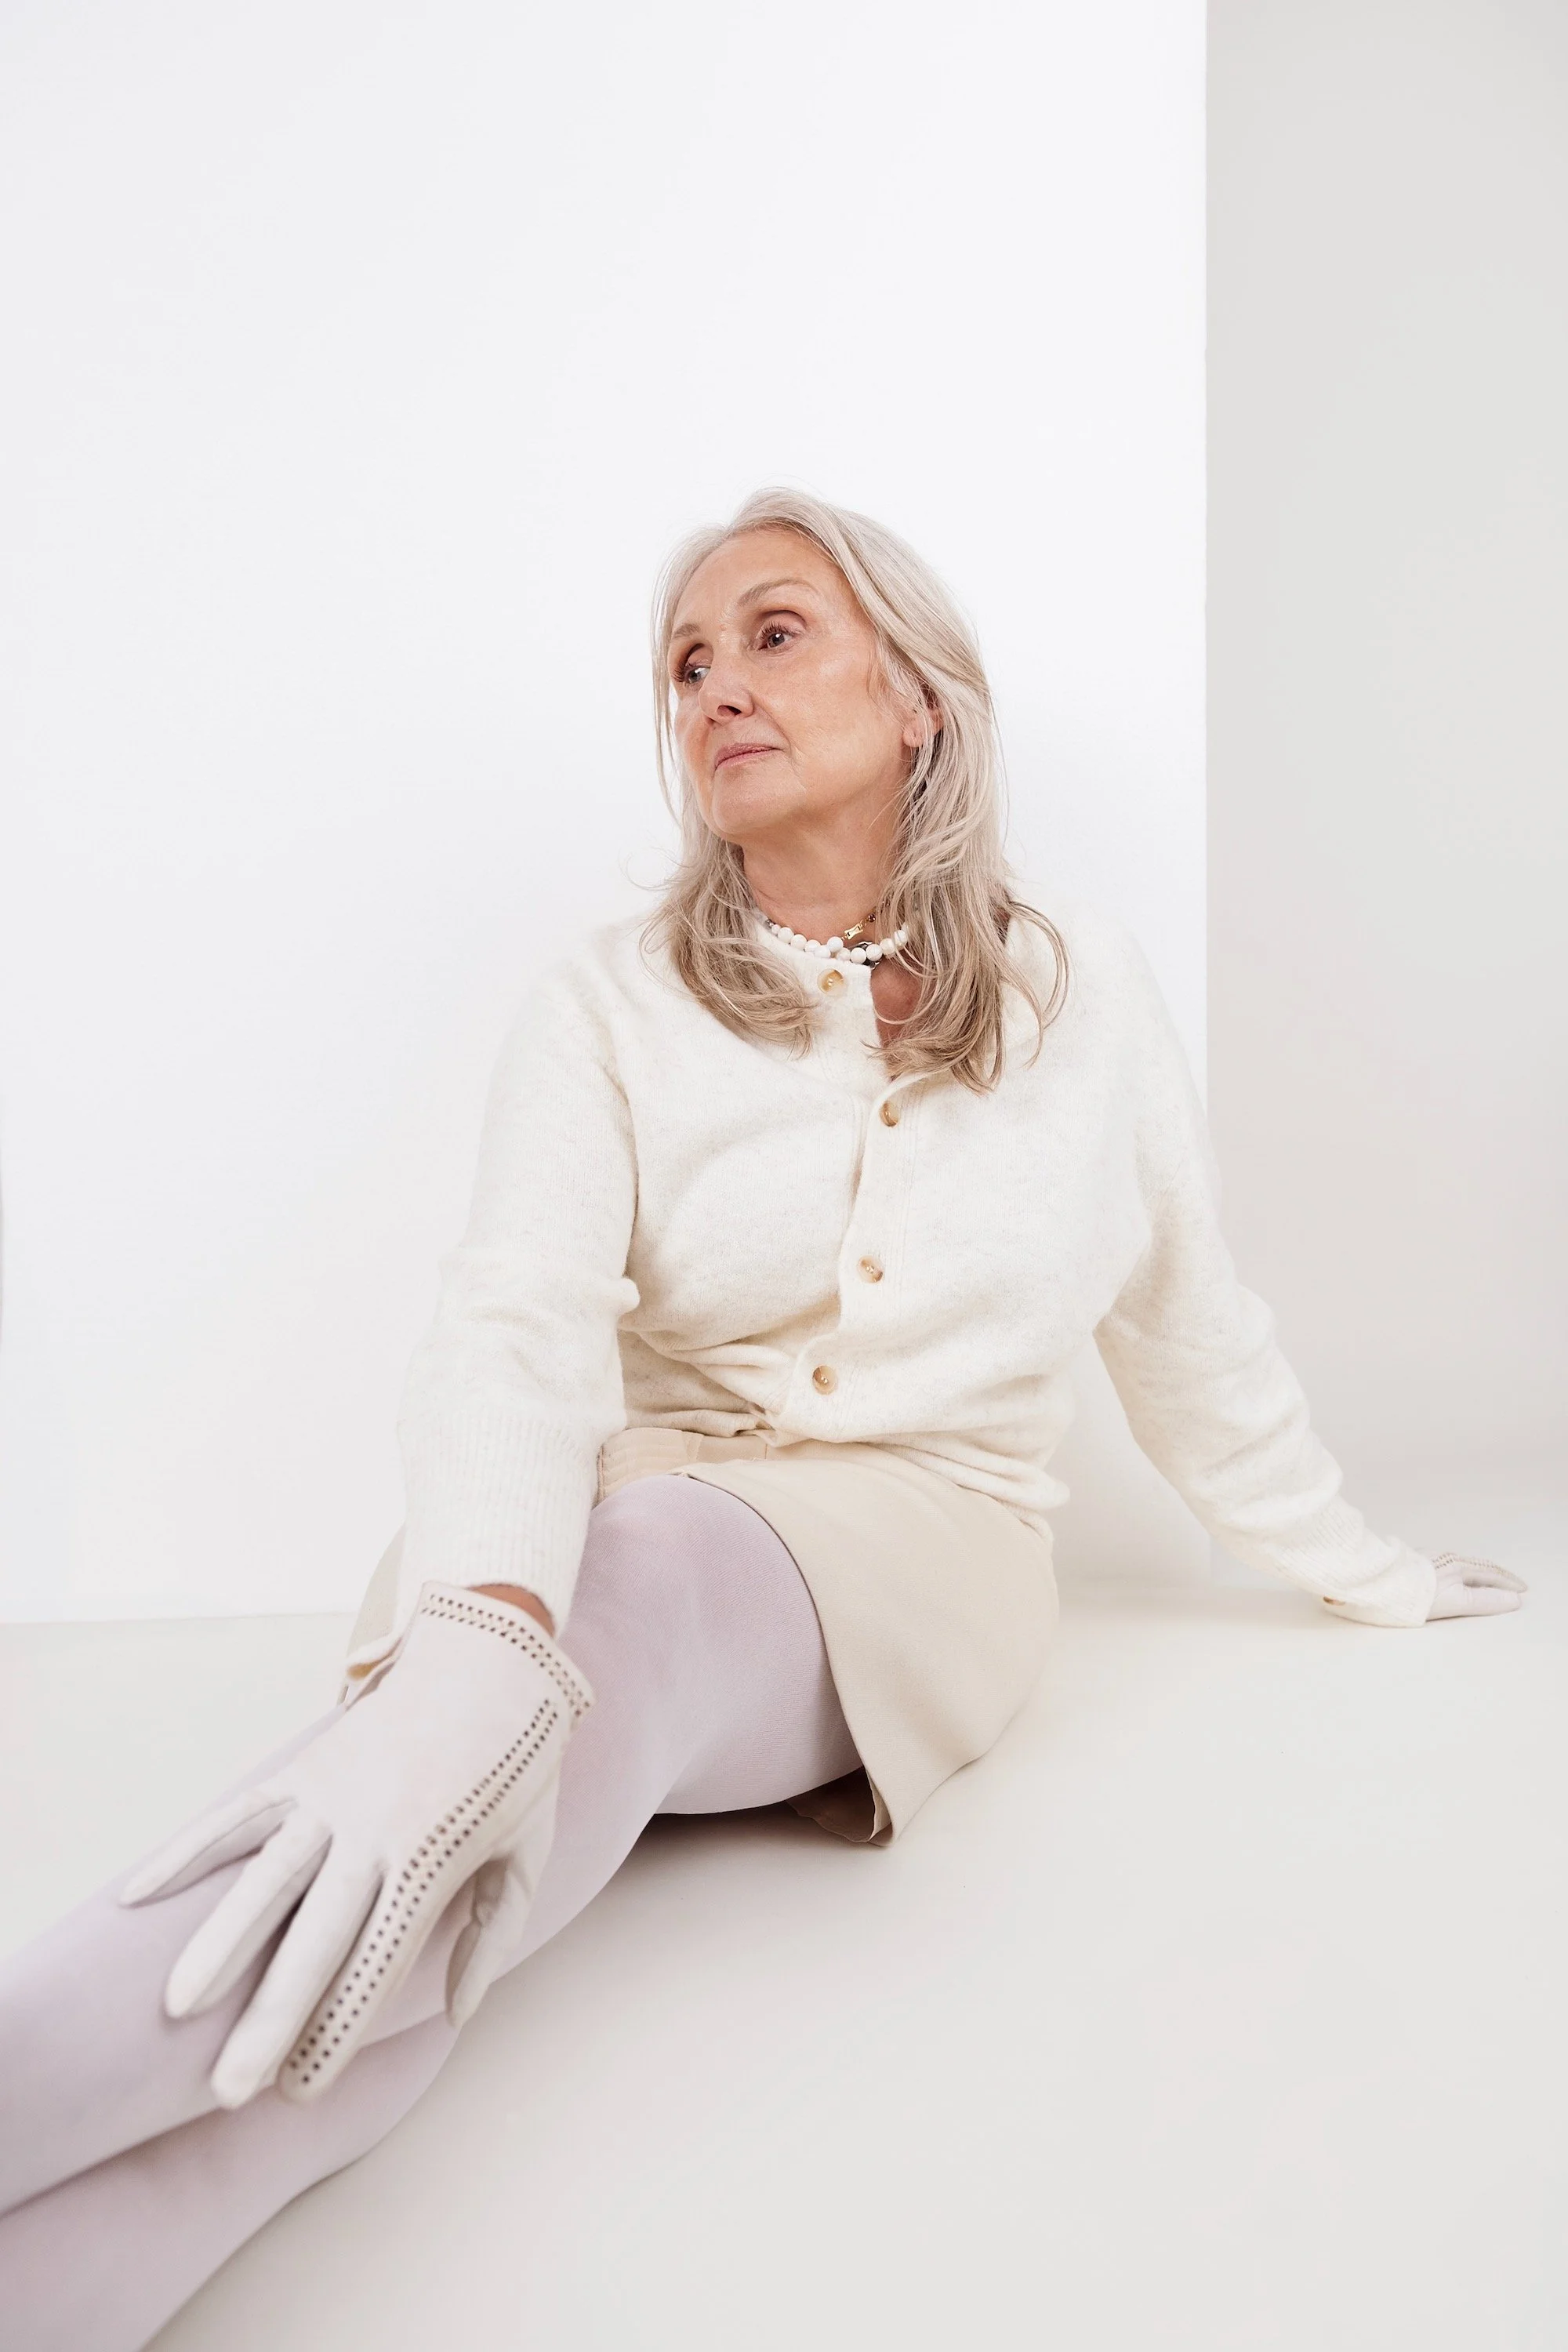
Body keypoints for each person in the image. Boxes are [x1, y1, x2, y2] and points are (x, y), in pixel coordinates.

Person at [0, 488, 1525, 2350]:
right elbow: (515, 1325)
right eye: (686, 664)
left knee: (565, 1655)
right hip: (592, 1527)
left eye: (775, 634)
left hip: (910, 1546)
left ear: (919, 695)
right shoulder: (608, 1003)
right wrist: (475, 1627)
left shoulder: (1082, 994)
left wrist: (1356, 1562)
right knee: (416, 1913)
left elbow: (1189, 1327)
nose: (717, 685)